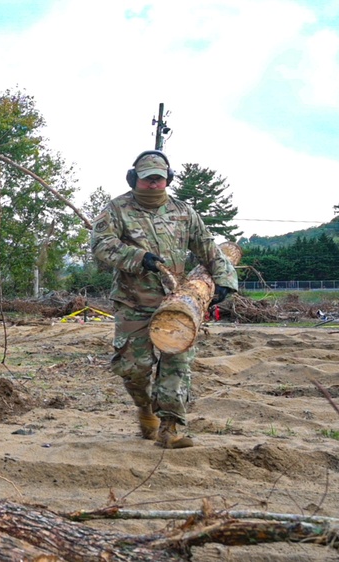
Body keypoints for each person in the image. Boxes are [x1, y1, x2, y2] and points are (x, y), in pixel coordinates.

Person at [90, 150, 237, 449]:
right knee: (134, 367)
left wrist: (224, 279)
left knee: (177, 364)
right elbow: (101, 245)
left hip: (175, 304)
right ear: (134, 179)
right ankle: (144, 407)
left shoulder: (184, 211)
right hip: (134, 303)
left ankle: (171, 428)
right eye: (147, 180)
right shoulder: (117, 209)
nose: (153, 185)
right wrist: (138, 257)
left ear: (167, 180)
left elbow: (208, 247)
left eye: (159, 179)